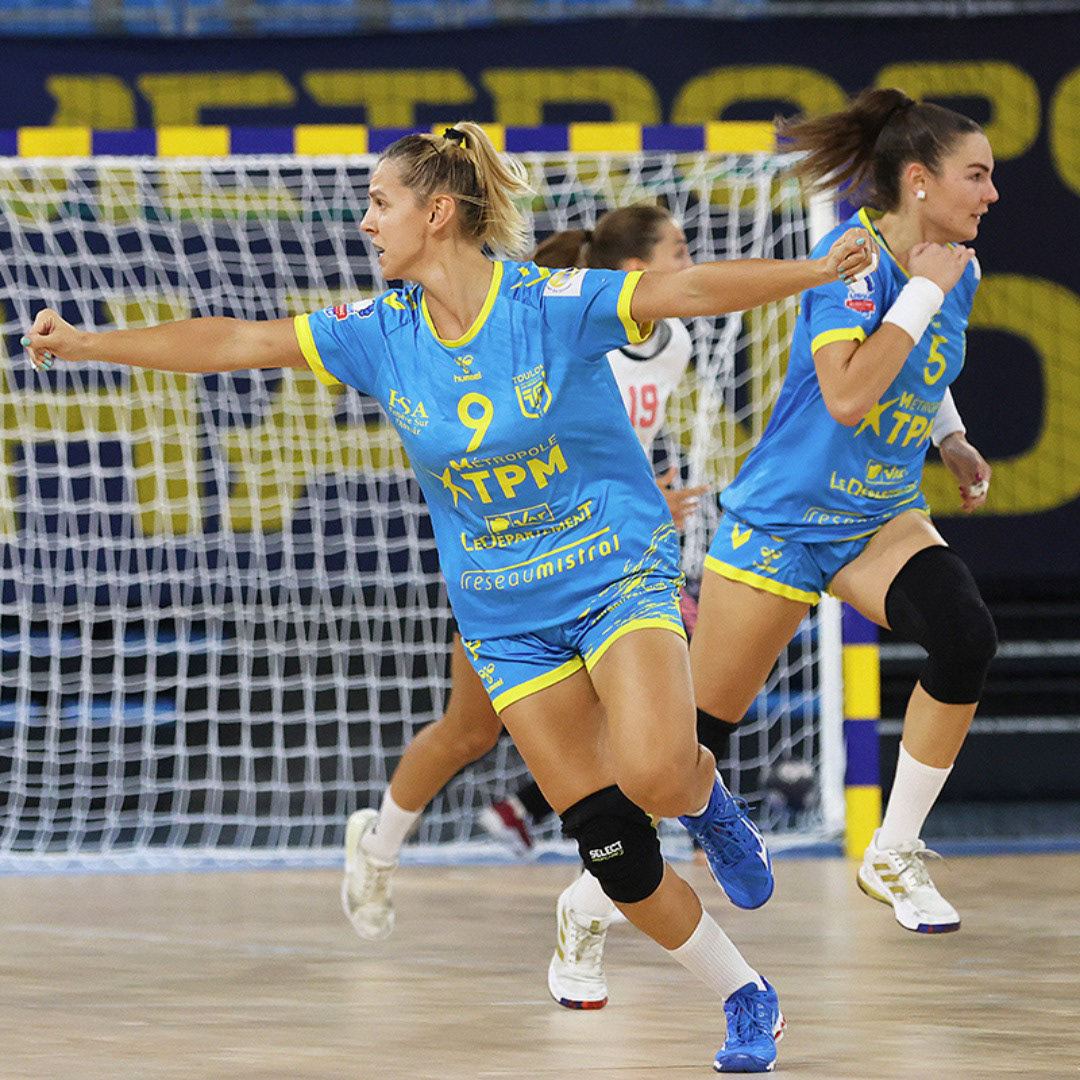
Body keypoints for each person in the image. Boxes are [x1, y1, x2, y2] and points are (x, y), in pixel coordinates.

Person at [23, 121, 874, 1072]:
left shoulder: (548, 302)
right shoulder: (379, 332)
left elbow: (690, 290)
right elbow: (237, 341)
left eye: (379, 202)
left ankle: (706, 802)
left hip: (613, 571)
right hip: (505, 616)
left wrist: (815, 271)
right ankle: (746, 995)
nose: (364, 220)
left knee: (655, 774)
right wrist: (90, 342)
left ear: (437, 212)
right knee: (612, 847)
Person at [344, 204, 713, 1015]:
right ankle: (378, 848)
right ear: (632, 271)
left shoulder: (672, 345)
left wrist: (635, 501)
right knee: (468, 732)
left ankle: (588, 916)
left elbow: (613, 450)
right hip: (512, 570)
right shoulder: (552, 326)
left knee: (634, 760)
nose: (691, 266)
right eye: (680, 252)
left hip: (604, 569)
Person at [689, 88, 999, 936]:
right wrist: (921, 292)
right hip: (781, 523)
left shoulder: (956, 269)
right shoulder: (851, 261)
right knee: (687, 750)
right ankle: (590, 902)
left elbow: (921, 362)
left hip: (877, 519)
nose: (992, 193)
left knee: (965, 636)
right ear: (919, 180)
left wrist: (950, 436)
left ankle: (892, 850)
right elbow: (849, 394)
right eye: (976, 175)